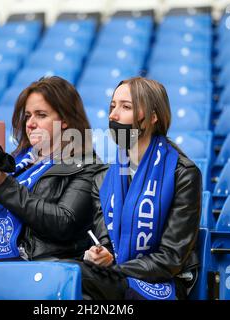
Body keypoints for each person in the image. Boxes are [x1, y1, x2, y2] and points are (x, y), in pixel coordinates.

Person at [0, 76, 102, 298]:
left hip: (39, 266)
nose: (30, 123)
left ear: (66, 121)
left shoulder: (87, 165)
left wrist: (3, 186)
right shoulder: (14, 162)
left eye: (41, 115)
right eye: (28, 116)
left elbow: (63, 222)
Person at [77, 77, 202, 300]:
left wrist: (112, 271)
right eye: (112, 106)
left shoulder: (183, 173)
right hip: (114, 279)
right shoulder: (104, 178)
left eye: (126, 107)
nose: (113, 115)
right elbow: (106, 239)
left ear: (153, 116)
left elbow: (171, 258)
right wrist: (102, 255)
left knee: (80, 279)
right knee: (73, 278)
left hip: (163, 282)